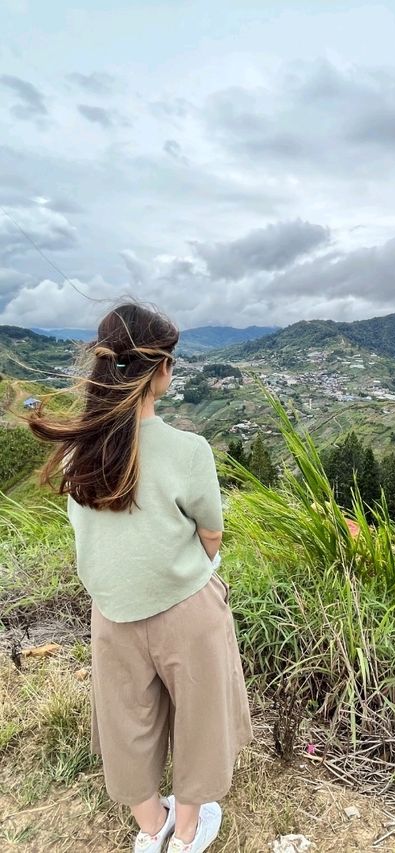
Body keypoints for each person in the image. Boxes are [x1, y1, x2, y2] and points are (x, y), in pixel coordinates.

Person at [27, 301, 253, 853]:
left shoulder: (77, 448)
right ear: (158, 371)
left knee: (127, 720)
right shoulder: (188, 450)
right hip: (184, 606)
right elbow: (212, 533)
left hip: (112, 611)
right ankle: (187, 830)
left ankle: (150, 828)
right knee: (201, 715)